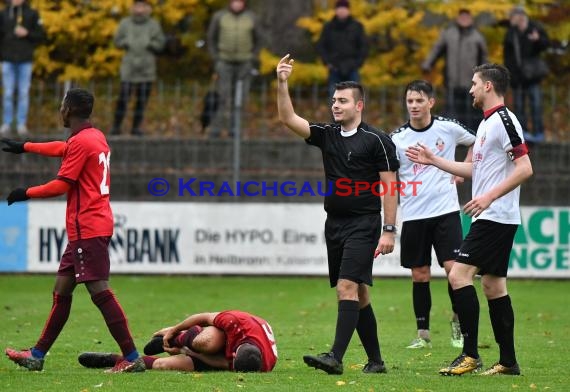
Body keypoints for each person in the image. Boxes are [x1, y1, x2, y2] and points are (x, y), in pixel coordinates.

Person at [3, 88, 145, 373]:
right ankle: (37, 354)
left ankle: (131, 357)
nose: (60, 111)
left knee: (99, 291)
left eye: (61, 106)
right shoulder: (94, 136)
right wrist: (25, 146)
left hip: (88, 227)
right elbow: (62, 148)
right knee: (62, 290)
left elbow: (61, 185)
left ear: (68, 110)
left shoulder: (82, 142)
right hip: (89, 227)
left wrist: (25, 192)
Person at [406, 63, 533, 376]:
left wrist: (488, 197)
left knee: (458, 276)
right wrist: (434, 160)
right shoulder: (486, 124)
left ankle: (469, 355)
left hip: (496, 216)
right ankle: (508, 362)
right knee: (493, 285)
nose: (471, 88)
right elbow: (477, 171)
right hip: (491, 216)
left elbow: (525, 167)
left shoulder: (504, 119)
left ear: (488, 86)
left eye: (475, 83)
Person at [277, 54, 399, 375]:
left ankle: (335, 357)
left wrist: (389, 230)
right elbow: (288, 119)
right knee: (358, 294)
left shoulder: (378, 140)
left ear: (359, 106)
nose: (336, 105)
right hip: (335, 225)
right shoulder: (327, 134)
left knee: (346, 287)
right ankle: (376, 361)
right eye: (334, 100)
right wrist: (282, 82)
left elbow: (390, 188)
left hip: (365, 224)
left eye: (343, 101)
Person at [391, 80, 475, 350]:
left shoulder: (447, 128)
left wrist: (463, 167)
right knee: (420, 274)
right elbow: (389, 177)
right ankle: (423, 333)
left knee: (453, 271)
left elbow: (477, 141)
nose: (413, 106)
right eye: (410, 101)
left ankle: (458, 323)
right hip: (414, 214)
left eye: (419, 100)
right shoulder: (397, 138)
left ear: (431, 102)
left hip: (446, 212)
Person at [77, 310, 278, 373]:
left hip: (226, 355)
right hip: (221, 336)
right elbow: (204, 316)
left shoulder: (262, 364)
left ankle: (114, 359)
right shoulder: (236, 322)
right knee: (207, 343)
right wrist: (175, 330)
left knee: (164, 364)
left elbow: (223, 364)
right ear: (236, 351)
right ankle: (178, 337)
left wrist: (186, 353)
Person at [422, 9, 488, 131]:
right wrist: (427, 64)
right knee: (452, 111)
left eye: (466, 17)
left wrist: (485, 76)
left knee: (471, 112)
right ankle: (452, 138)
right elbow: (437, 50)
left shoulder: (477, 37)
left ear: (471, 19)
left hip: (471, 83)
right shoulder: (448, 34)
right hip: (451, 81)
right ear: (457, 19)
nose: (464, 19)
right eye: (461, 17)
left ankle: (472, 137)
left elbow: (484, 58)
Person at [206, 0, 262, 138]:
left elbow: (259, 39)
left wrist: (252, 58)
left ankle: (235, 129)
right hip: (224, 62)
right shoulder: (219, 17)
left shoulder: (252, 17)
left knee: (241, 98)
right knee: (223, 97)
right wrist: (216, 58)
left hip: (244, 63)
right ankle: (216, 128)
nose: (237, 4)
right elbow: (211, 38)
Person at [110, 0, 165, 136]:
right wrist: (126, 42)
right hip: (129, 68)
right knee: (123, 99)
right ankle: (116, 126)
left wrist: (149, 43)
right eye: (137, 6)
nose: (140, 9)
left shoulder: (153, 25)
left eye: (142, 6)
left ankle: (136, 128)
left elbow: (160, 43)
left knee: (142, 101)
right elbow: (117, 41)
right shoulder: (125, 23)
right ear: (133, 7)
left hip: (147, 69)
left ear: (147, 8)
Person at [503, 6, 550, 142]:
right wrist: (509, 75)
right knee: (519, 106)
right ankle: (522, 133)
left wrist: (538, 39)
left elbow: (547, 44)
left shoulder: (535, 27)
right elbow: (508, 56)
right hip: (517, 76)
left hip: (533, 76)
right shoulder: (511, 33)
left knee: (536, 104)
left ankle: (538, 132)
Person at [0, 0, 45, 136]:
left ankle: (21, 124)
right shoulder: (3, 14)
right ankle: (6, 123)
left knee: (23, 93)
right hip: (7, 60)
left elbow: (41, 35)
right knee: (8, 93)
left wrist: (27, 33)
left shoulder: (32, 13)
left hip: (25, 60)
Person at [316, 0, 368, 100]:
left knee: (355, 98)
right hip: (335, 68)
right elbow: (321, 46)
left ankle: (355, 116)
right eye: (339, 9)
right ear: (335, 10)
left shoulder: (357, 26)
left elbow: (364, 46)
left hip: (352, 67)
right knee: (334, 98)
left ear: (348, 10)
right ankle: (335, 116)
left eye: (344, 9)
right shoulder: (328, 27)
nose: (342, 11)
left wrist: (358, 63)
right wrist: (327, 62)